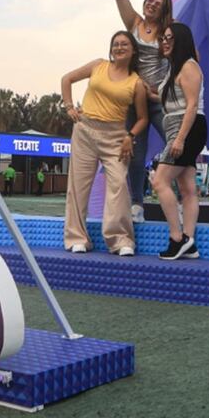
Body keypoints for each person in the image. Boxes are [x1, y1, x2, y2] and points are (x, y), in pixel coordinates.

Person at [91, 0, 171, 224]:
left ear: (163, 10)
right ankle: (136, 204)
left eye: (157, 2)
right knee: (134, 156)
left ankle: (180, 197)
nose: (151, 3)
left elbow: (185, 61)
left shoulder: (168, 33)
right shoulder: (134, 23)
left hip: (158, 101)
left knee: (177, 142)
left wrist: (161, 92)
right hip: (133, 102)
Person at [61, 30, 148, 256]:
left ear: (133, 51)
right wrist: (69, 106)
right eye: (116, 44)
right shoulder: (98, 66)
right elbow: (66, 79)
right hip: (85, 131)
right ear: (111, 49)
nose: (119, 48)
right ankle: (76, 237)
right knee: (78, 186)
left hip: (116, 137)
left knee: (119, 186)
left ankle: (120, 240)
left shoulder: (136, 83)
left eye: (124, 45)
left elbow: (143, 119)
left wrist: (130, 136)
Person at [150, 23, 206, 260]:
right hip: (177, 125)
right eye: (163, 38)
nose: (164, 42)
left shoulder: (189, 67)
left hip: (187, 127)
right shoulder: (175, 70)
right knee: (187, 188)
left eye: (170, 38)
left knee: (160, 181)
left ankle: (177, 237)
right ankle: (190, 243)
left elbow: (191, 105)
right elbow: (170, 99)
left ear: (181, 40)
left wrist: (180, 138)